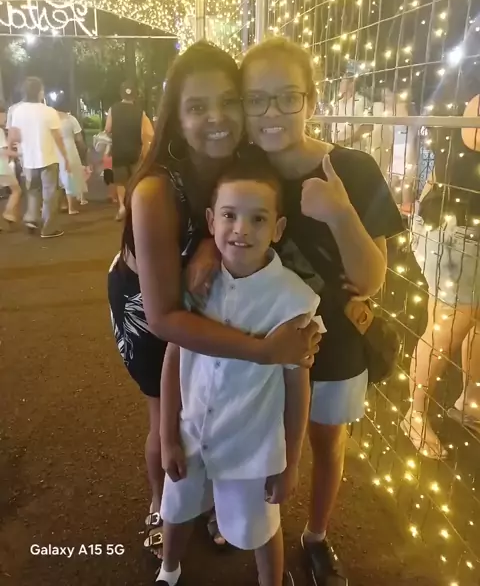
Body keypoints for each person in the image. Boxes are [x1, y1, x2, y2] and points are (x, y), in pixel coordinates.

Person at [107, 41, 321, 561]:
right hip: (149, 304)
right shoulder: (155, 190)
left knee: (217, 397)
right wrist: (265, 351)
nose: (217, 118)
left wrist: (207, 244)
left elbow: (233, 218)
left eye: (228, 101)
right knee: (169, 413)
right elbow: (164, 318)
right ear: (176, 118)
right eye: (197, 107)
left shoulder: (244, 160)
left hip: (213, 294)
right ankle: (164, 506)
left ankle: (212, 495)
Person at [236, 38, 403, 584]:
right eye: (257, 99)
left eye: (288, 97)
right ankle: (259, 534)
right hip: (260, 343)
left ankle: (316, 535)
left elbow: (372, 278)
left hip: (335, 347)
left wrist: (340, 212)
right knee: (261, 439)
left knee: (327, 442)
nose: (272, 112)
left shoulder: (351, 168)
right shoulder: (239, 169)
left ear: (311, 99)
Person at [159, 159, 324, 586]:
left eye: (258, 219)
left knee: (261, 526)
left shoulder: (294, 300)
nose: (241, 230)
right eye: (229, 215)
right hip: (191, 430)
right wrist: (167, 435)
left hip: (252, 445)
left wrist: (290, 462)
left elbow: (297, 385)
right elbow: (174, 354)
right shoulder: (197, 282)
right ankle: (168, 570)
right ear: (211, 220)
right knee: (176, 509)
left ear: (278, 228)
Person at [405, 94, 480, 457]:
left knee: (472, 321)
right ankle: (415, 415)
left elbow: (440, 170)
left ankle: (471, 402)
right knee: (445, 330)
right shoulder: (473, 99)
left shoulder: (463, 92)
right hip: (458, 235)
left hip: (456, 229)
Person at [7, 77, 70, 238]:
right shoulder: (49, 111)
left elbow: (13, 134)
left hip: (27, 159)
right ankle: (48, 228)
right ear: (40, 92)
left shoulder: (17, 111)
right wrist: (66, 157)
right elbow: (58, 138)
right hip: (48, 158)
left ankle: (31, 217)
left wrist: (11, 150)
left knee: (33, 191)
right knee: (50, 194)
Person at [105, 82, 154, 221]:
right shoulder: (140, 112)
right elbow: (148, 133)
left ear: (121, 94)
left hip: (118, 151)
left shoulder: (113, 109)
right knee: (136, 181)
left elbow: (108, 129)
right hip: (135, 152)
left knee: (120, 182)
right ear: (134, 95)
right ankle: (135, 207)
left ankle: (122, 207)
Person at [55, 94, 88, 215]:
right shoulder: (71, 119)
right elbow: (79, 138)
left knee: (57, 176)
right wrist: (84, 149)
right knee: (70, 176)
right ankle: (71, 207)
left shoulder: (51, 119)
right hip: (69, 149)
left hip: (54, 149)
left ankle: (60, 204)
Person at [331, 64, 373, 152]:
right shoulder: (337, 104)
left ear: (352, 84)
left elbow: (367, 127)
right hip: (336, 149)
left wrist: (346, 142)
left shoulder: (361, 101)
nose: (340, 84)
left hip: (354, 150)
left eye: (343, 81)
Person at [0, 103, 22, 228]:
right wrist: (21, 154)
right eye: (3, 116)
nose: (5, 119)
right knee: (16, 190)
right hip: (2, 168)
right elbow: (4, 151)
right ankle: (8, 212)